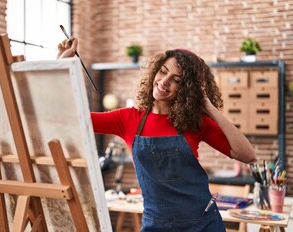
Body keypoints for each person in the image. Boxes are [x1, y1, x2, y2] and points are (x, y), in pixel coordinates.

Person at [57, 37, 257, 232]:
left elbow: (247, 155)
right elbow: (69, 116)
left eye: (176, 80)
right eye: (162, 72)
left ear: (187, 90)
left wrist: (210, 108)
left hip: (202, 223)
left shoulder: (194, 122)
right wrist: (61, 64)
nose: (164, 82)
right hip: (157, 224)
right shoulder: (127, 119)